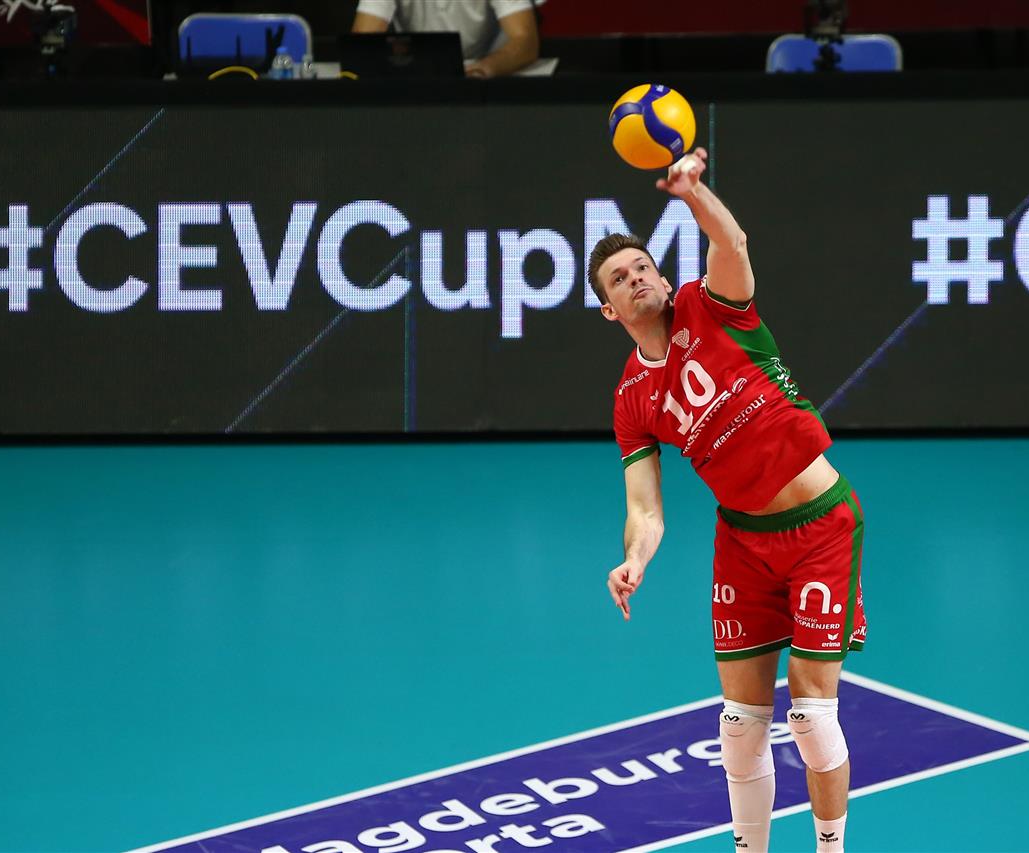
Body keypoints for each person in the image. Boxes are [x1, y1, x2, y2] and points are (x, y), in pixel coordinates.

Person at [591, 148, 866, 853]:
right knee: (740, 728)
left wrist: (692, 192)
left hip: (819, 525)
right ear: (609, 309)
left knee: (810, 716)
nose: (637, 278)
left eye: (643, 267)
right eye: (620, 278)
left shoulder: (710, 305)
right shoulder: (631, 399)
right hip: (743, 543)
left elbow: (733, 244)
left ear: (662, 277)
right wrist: (635, 559)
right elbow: (646, 508)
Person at [350, 0, 541, 78]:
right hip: (415, 82)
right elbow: (362, 45)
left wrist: (482, 70)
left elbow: (525, 41)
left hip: (488, 85)